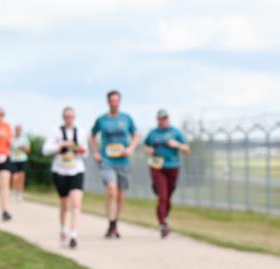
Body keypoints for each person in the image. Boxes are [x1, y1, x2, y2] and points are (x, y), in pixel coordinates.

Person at [89, 90, 139, 238]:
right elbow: (92, 136)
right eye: (112, 101)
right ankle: (110, 223)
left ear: (119, 102)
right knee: (111, 189)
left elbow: (136, 135)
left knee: (120, 196)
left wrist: (130, 148)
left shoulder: (126, 118)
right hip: (107, 160)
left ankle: (115, 223)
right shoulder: (102, 120)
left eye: (116, 101)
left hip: (123, 161)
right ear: (108, 102)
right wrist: (96, 152)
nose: (114, 103)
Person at [42, 106, 87, 248]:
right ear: (63, 117)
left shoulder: (80, 132)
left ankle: (74, 234)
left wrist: (79, 149)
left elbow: (86, 153)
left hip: (76, 170)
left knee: (76, 203)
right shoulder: (56, 131)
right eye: (67, 116)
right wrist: (60, 145)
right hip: (60, 171)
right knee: (64, 204)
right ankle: (63, 229)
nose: (69, 119)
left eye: (71, 116)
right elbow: (45, 150)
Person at [144, 109, 190, 238]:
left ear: (168, 119)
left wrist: (177, 145)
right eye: (160, 118)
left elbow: (187, 149)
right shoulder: (153, 133)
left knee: (168, 196)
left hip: (173, 166)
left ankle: (164, 217)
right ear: (157, 119)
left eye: (165, 118)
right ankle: (162, 224)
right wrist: (149, 150)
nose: (163, 120)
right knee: (162, 196)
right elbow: (145, 146)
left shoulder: (176, 132)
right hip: (157, 166)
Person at [9, 124, 31, 200]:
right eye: (17, 129)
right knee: (14, 177)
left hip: (22, 159)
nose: (18, 131)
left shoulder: (25, 138)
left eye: (19, 129)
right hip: (13, 159)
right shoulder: (11, 137)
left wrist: (21, 147)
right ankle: (13, 191)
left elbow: (28, 150)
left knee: (21, 177)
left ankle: (20, 193)